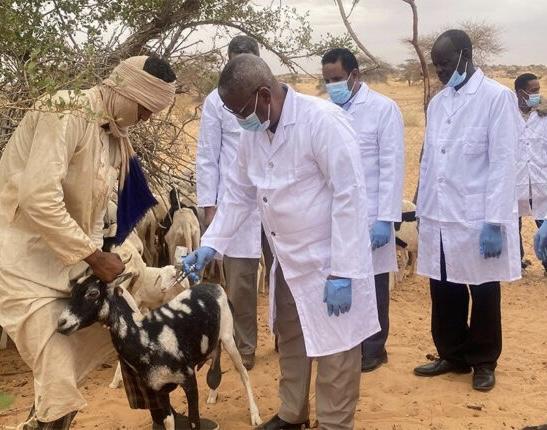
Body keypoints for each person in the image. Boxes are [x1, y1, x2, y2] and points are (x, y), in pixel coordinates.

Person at [0, 56, 208, 430]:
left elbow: (95, 213)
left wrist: (105, 257)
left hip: (68, 258)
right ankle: (46, 420)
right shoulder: (64, 110)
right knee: (56, 358)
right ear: (128, 93)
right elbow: (38, 197)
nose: (147, 118)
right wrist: (95, 258)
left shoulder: (113, 137)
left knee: (129, 325)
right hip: (21, 260)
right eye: (145, 108)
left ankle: (161, 416)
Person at [183, 54, 380, 430]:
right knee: (291, 337)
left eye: (240, 110)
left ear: (263, 94)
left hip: (328, 263)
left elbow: (350, 196)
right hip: (287, 262)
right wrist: (212, 243)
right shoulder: (253, 134)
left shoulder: (322, 121)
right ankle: (292, 414)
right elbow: (238, 194)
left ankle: (334, 424)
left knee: (337, 350)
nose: (239, 120)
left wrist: (343, 271)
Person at [413, 29, 521, 392]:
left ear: (465, 55)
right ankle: (453, 354)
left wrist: (495, 221)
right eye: (436, 65)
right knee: (444, 288)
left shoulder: (496, 98)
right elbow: (430, 160)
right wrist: (421, 207)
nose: (440, 71)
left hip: (476, 216)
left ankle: (484, 360)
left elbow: (503, 162)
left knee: (483, 289)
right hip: (440, 213)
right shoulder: (438, 103)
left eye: (445, 63)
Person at [321, 48, 404, 373]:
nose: (332, 86)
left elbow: (392, 166)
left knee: (374, 283)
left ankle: (374, 348)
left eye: (337, 79)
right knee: (344, 278)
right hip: (338, 213)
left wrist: (386, 218)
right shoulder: (326, 111)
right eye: (327, 80)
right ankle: (349, 343)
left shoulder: (383, 109)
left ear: (354, 75)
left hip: (372, 214)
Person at [196, 35, 262, 370]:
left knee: (287, 276)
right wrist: (209, 206)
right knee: (241, 282)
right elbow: (207, 155)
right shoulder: (215, 102)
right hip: (235, 204)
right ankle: (244, 346)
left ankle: (289, 337)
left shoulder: (273, 98)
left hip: (277, 201)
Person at [514, 73, 547, 275]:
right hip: (515, 180)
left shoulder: (544, 115)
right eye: (533, 91)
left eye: (538, 90)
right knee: (512, 224)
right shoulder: (506, 114)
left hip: (540, 180)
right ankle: (516, 262)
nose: (538, 95)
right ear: (520, 92)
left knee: (544, 222)